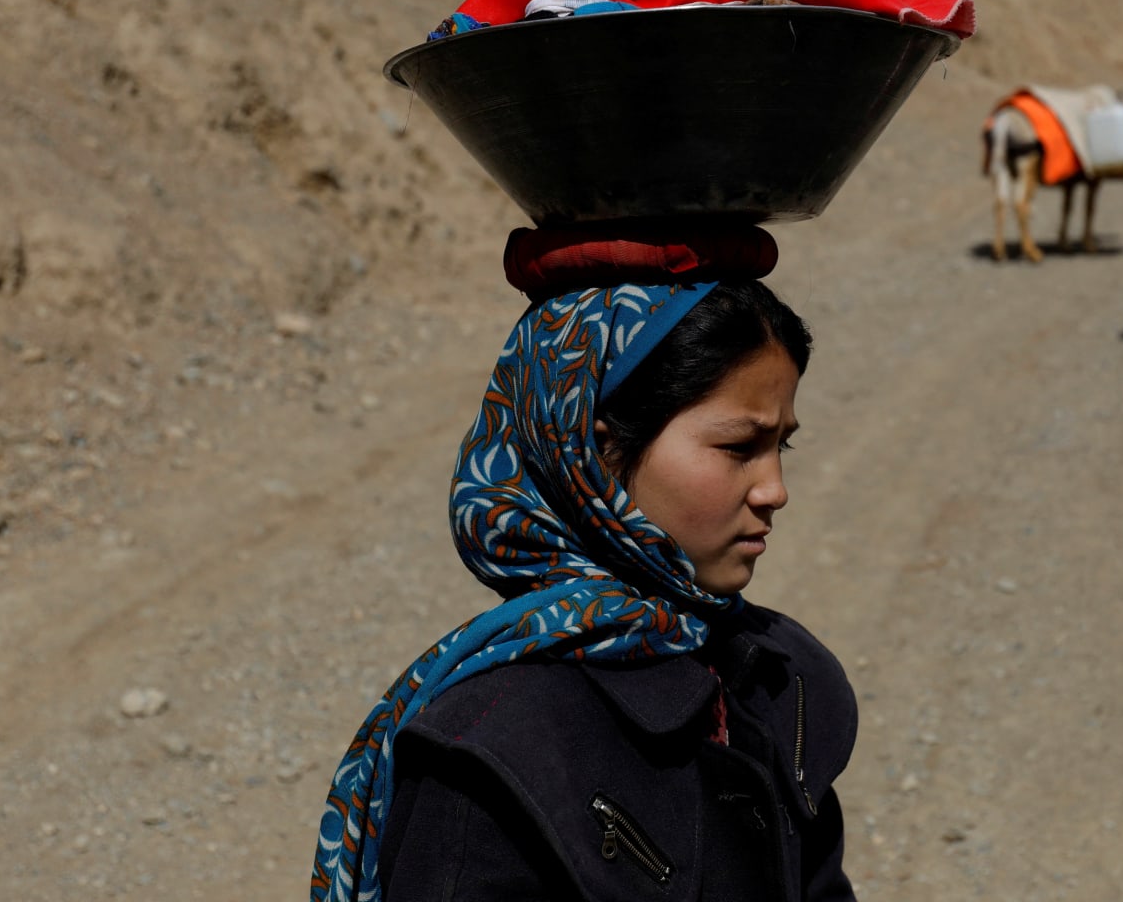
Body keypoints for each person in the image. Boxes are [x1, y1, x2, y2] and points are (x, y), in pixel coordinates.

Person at [312, 279, 858, 902]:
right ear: (596, 454)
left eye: (779, 445)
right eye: (739, 447)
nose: (774, 489)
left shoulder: (774, 676)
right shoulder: (489, 753)